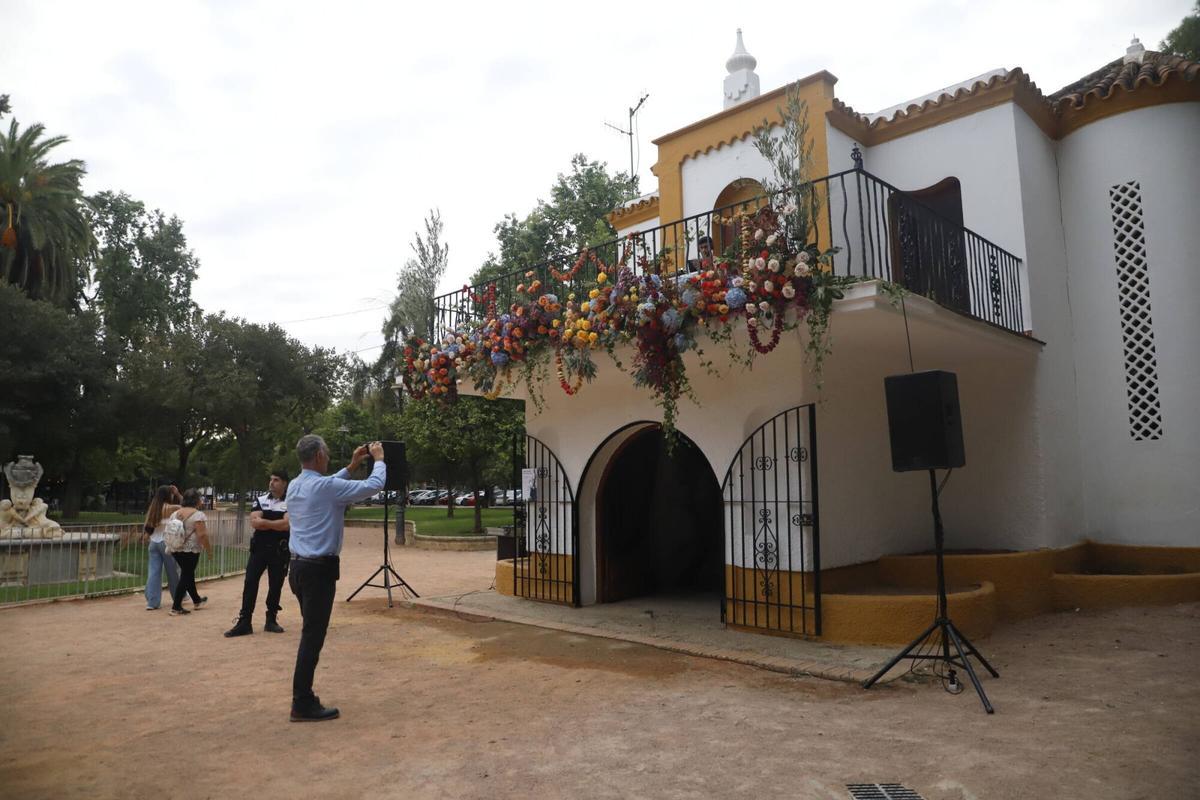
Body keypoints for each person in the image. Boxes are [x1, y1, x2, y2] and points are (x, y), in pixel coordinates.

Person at [286, 435, 386, 722]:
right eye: (326, 453)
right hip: (318, 571)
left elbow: (328, 485)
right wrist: (378, 460)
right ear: (318, 455)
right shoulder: (325, 487)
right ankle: (301, 701)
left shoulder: (296, 485)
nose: (328, 457)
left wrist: (352, 465)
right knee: (312, 637)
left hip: (297, 568)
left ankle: (302, 697)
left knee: (310, 633)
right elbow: (374, 486)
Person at [225, 470, 291, 637]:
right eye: (270, 480)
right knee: (250, 582)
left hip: (279, 550)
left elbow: (287, 525)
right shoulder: (260, 499)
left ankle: (271, 619)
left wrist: (265, 522)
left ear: (284, 483)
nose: (271, 483)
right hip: (259, 549)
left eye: (276, 480)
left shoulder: (291, 501)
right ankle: (245, 621)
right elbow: (254, 522)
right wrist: (275, 523)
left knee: (276, 584)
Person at [167, 488, 213, 616]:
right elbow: (202, 535)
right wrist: (209, 550)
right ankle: (176, 606)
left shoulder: (175, 514)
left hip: (176, 547)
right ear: (197, 500)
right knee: (186, 574)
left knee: (188, 573)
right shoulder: (198, 515)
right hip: (191, 548)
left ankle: (197, 600)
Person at [141, 485, 182, 611]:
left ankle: (152, 602)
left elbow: (148, 526)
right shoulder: (171, 508)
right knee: (173, 572)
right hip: (166, 542)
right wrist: (178, 494)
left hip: (153, 542)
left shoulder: (153, 508)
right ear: (168, 495)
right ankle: (178, 597)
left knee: (154, 572)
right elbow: (187, 506)